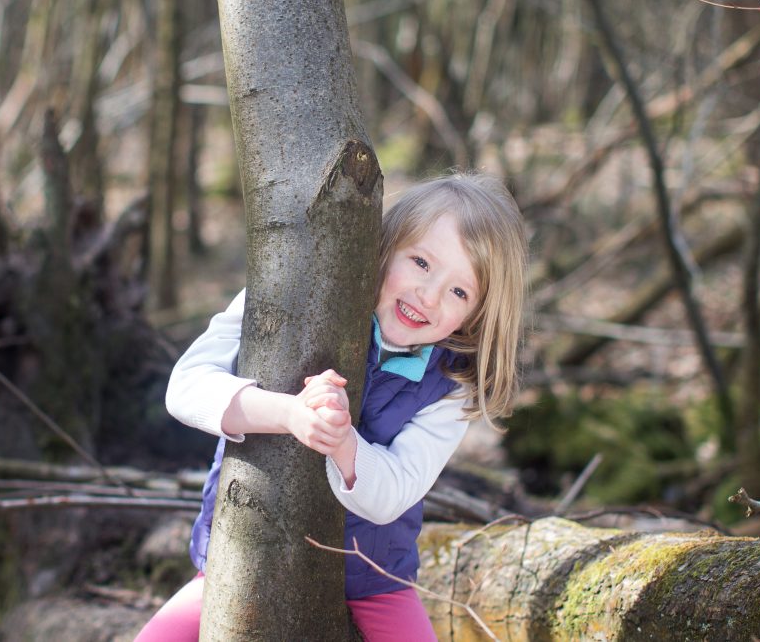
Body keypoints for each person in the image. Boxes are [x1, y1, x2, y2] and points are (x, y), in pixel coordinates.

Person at [135, 172, 528, 641]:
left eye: (459, 291)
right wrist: (288, 414)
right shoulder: (290, 293)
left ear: (479, 314)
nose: (429, 295)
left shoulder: (451, 385)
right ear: (384, 246)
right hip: (249, 552)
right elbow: (186, 388)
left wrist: (344, 444)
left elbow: (397, 489)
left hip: (372, 578)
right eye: (421, 262)